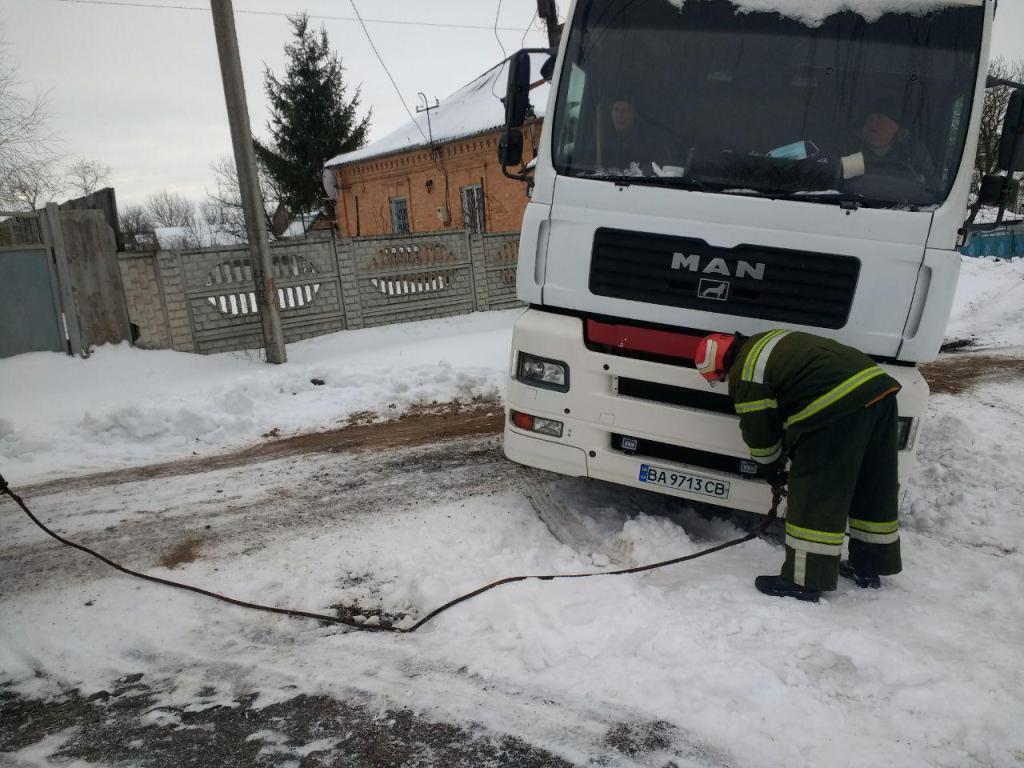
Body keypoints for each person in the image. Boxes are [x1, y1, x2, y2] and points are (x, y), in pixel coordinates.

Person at [693, 330, 903, 602]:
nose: (726, 383)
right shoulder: (765, 342)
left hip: (837, 406)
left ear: (723, 367)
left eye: (721, 379)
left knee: (815, 490)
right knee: (872, 482)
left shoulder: (746, 373)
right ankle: (869, 564)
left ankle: (805, 580)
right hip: (879, 391)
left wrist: (771, 469)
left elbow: (761, 435)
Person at [847, 104, 938, 193]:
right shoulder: (853, 147)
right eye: (869, 119)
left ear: (896, 126)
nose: (873, 125)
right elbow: (847, 181)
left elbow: (930, 185)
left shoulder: (913, 150)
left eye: (880, 118)